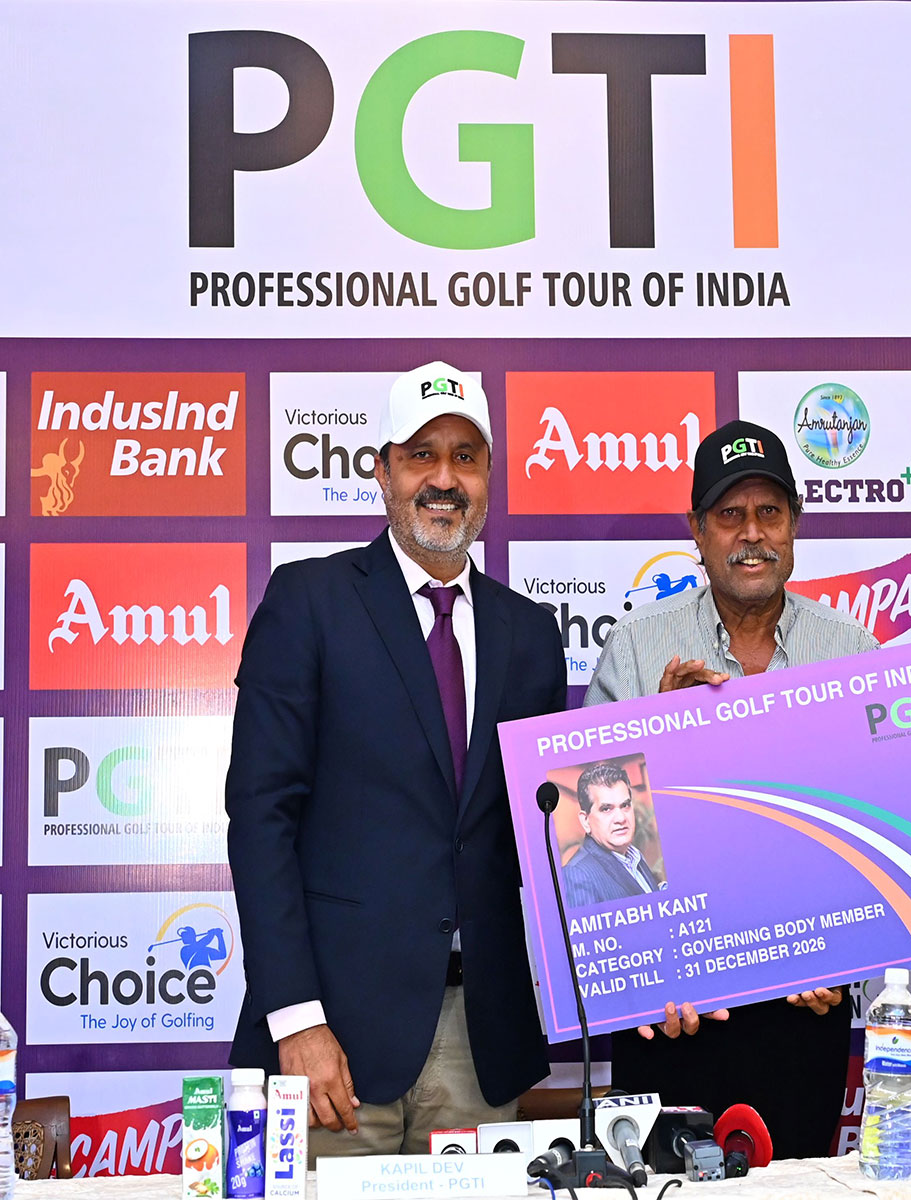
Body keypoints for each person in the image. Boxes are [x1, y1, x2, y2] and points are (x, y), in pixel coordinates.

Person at [226, 361, 566, 1157]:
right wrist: (296, 1019)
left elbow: (551, 831)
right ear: (383, 473)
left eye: (465, 457)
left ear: (489, 478)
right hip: (334, 1044)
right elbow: (261, 818)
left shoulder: (529, 632)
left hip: (482, 1043)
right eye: (421, 455)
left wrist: (667, 741)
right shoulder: (310, 601)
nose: (444, 479)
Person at [584, 419, 876, 1159]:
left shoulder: (850, 651)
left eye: (769, 512)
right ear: (697, 530)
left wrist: (846, 957)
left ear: (794, 524)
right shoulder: (637, 647)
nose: (752, 533)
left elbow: (874, 831)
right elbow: (595, 828)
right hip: (671, 1010)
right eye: (730, 514)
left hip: (803, 1008)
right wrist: (657, 735)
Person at [560, 761, 659, 907]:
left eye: (625, 805)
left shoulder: (635, 857)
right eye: (606, 809)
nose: (621, 818)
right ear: (585, 820)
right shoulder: (577, 875)